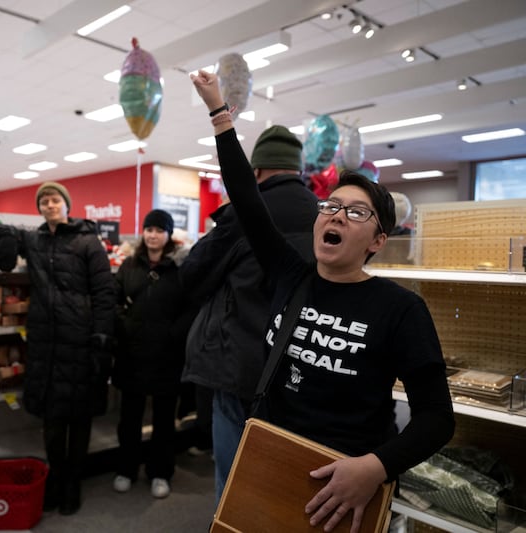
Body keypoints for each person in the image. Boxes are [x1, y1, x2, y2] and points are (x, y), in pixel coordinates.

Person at [191, 70, 455, 533]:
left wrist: (376, 467)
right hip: (272, 458)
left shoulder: (399, 309)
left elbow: (436, 418)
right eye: (330, 206)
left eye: (356, 212)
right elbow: (248, 200)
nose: (336, 215)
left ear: (377, 240)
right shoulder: (291, 275)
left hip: (348, 481)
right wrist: (219, 113)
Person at [180, 124, 318, 505]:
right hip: (300, 367)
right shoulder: (324, 216)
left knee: (235, 481)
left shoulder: (245, 214)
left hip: (239, 362)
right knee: (286, 485)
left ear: (256, 170)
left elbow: (192, 274)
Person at [0, 181, 116, 516]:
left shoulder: (88, 241)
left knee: (79, 418)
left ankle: (73, 483)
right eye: (44, 201)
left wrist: (102, 335)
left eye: (55, 200)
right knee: (53, 420)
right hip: (46, 343)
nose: (49, 205)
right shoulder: (35, 239)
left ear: (67, 204)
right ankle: (56, 481)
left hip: (82, 341)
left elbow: (104, 293)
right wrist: (3, 239)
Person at [111, 209, 193, 499]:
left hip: (167, 356)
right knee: (129, 418)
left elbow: (190, 308)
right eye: (149, 229)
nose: (153, 235)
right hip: (132, 353)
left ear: (169, 235)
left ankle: (160, 472)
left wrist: (173, 333)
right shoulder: (130, 265)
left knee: (163, 421)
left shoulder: (182, 267)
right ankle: (126, 468)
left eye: (159, 230)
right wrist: (127, 326)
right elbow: (115, 300)